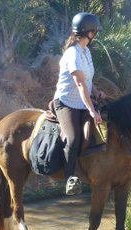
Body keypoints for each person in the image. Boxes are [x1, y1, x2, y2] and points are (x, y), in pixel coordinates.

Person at [53, 12, 105, 195]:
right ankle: (69, 178)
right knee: (74, 138)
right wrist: (92, 110)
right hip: (66, 103)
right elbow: (80, 83)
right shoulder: (72, 53)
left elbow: (88, 80)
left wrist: (96, 91)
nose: (96, 34)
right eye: (94, 31)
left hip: (83, 101)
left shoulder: (86, 51)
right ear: (88, 32)